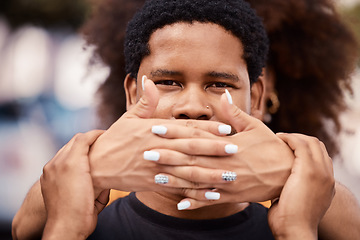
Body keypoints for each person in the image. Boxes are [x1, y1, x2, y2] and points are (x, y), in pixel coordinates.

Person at [11, 0, 360, 239]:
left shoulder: (304, 213)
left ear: (255, 98)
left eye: (219, 84)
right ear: (132, 93)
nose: (192, 106)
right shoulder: (81, 211)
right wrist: (67, 225)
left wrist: (295, 228)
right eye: (168, 82)